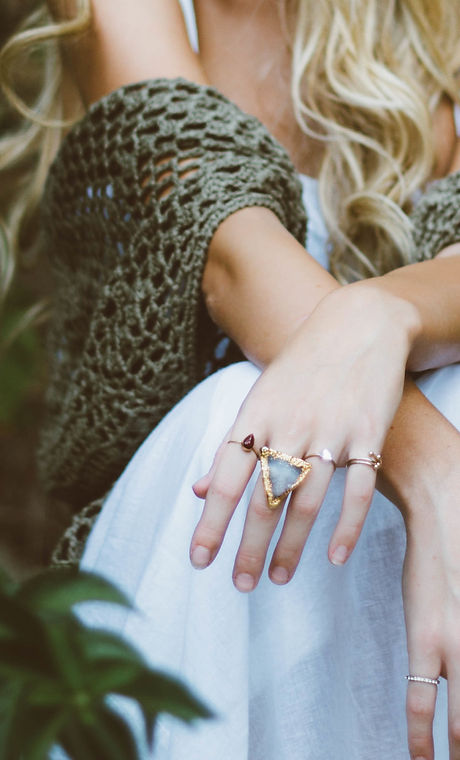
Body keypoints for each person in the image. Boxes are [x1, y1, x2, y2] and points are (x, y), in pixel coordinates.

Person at [2, 1, 460, 757]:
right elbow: (228, 254)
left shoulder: (421, 18)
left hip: (378, 572)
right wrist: (439, 475)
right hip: (210, 549)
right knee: (238, 410)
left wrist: (378, 314)